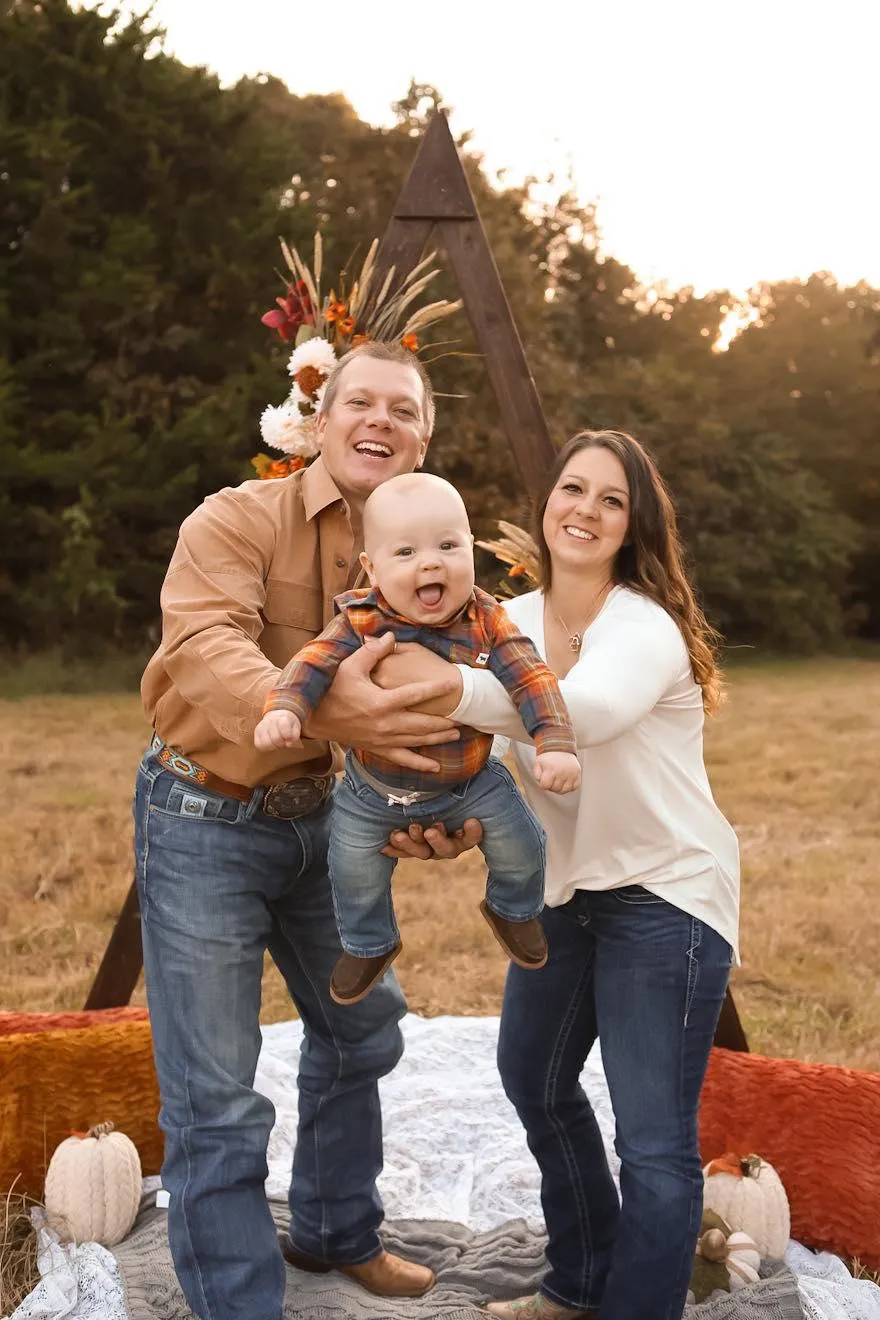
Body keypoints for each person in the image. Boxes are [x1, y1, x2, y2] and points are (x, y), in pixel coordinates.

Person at [134, 342, 482, 1320]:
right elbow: (204, 646)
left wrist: (439, 811)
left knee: (365, 1030)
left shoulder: (428, 553)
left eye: (402, 408)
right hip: (203, 813)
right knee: (217, 1099)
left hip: (323, 821)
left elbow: (455, 693)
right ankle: (241, 1306)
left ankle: (333, 1230)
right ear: (319, 421)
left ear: (423, 435)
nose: (379, 420)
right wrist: (322, 713)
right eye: (358, 402)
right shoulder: (234, 518)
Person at [375, 430, 740, 1320]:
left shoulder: (641, 622)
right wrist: (451, 829)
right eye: (573, 489)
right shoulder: (509, 622)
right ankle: (579, 1284)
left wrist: (446, 687)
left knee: (652, 1143)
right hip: (567, 896)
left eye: (611, 500)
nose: (585, 510)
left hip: (667, 895)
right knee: (532, 1075)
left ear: (633, 525)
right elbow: (496, 762)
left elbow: (590, 714)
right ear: (547, 504)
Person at [254, 472, 581, 1006]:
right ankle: (368, 942)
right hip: (372, 791)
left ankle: (512, 908)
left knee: (524, 845)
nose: (431, 563)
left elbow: (533, 678)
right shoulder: (362, 618)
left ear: (472, 550)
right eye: (405, 552)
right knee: (353, 869)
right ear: (372, 568)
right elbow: (310, 662)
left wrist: (555, 742)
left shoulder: (487, 619)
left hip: (471, 783)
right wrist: (286, 707)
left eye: (448, 546)